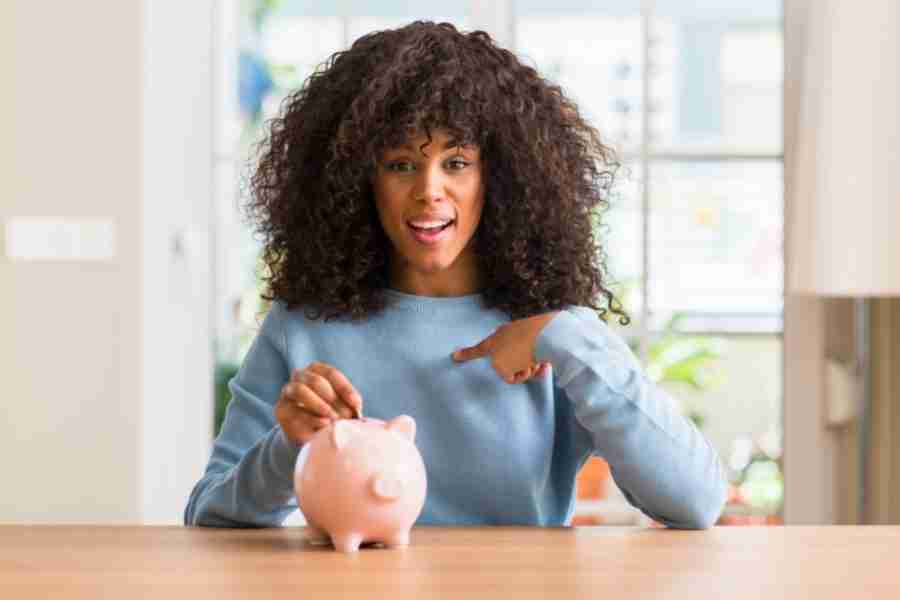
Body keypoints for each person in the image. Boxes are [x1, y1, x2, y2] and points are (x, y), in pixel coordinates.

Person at [184, 21, 728, 529]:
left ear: (501, 178)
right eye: (400, 164)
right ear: (356, 183)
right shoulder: (300, 326)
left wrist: (564, 338)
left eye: (457, 163)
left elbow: (696, 502)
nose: (429, 190)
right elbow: (208, 518)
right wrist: (288, 446)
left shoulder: (555, 331)